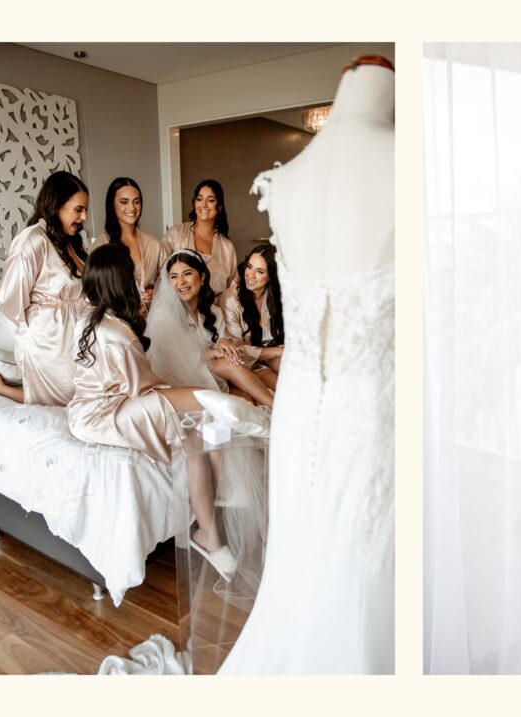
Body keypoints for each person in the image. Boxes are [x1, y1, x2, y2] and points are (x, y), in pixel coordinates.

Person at [218, 55, 395, 675]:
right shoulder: (398, 162)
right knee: (336, 560)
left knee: (340, 560)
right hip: (370, 408)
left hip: (308, 407)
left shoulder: (289, 179)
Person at [66, 243, 237, 579]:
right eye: (132, 275)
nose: (138, 280)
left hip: (90, 409)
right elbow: (144, 388)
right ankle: (211, 524)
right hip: (107, 414)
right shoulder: (117, 334)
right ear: (121, 281)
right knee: (201, 404)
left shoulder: (90, 319)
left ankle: (209, 526)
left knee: (197, 416)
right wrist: (180, 395)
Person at [0, 171, 90, 405]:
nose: (84, 217)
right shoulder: (33, 240)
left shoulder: (71, 242)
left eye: (85, 210)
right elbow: (9, 297)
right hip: (47, 340)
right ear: (57, 205)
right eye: (78, 209)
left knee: (84, 395)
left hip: (76, 336)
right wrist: (40, 324)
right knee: (65, 403)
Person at [146, 249, 275, 408]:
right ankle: (277, 407)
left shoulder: (214, 312)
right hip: (178, 375)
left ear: (202, 277)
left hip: (213, 371)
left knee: (245, 398)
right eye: (174, 277)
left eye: (187, 274)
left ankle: (268, 411)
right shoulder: (162, 317)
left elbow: (223, 343)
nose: (181, 282)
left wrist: (224, 341)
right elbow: (171, 362)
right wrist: (212, 352)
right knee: (230, 364)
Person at [90, 177, 165, 315]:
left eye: (137, 201)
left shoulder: (153, 244)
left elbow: (168, 280)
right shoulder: (100, 247)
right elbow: (96, 294)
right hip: (117, 321)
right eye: (124, 202)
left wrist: (154, 292)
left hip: (151, 320)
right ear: (112, 205)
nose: (132, 208)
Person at [221, 244, 285, 390]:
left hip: (273, 355)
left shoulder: (276, 295)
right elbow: (235, 349)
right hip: (247, 363)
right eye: (249, 267)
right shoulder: (231, 299)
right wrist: (275, 352)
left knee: (301, 372)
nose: (250, 275)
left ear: (271, 276)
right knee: (284, 388)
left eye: (260, 271)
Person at [161, 179, 238, 300]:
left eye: (211, 200)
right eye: (199, 199)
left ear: (219, 207)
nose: (204, 204)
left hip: (215, 310)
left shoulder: (227, 247)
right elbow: (160, 273)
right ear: (194, 203)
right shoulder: (175, 234)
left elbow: (232, 289)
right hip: (177, 307)